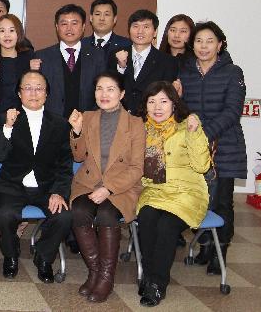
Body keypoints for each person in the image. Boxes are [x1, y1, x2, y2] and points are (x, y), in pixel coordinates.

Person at [68, 71, 146, 303]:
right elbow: (79, 156)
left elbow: (137, 168)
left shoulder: (135, 124)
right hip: (88, 183)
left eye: (110, 89)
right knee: (79, 211)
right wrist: (77, 131)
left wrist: (108, 188)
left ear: (121, 94)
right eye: (99, 89)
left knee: (106, 214)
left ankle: (106, 277)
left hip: (122, 186)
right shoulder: (88, 117)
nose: (104, 94)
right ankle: (96, 272)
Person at [178, 21, 246, 275]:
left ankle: (220, 253)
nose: (203, 46)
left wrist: (204, 134)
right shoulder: (185, 73)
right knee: (200, 199)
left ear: (220, 45)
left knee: (223, 203)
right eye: (199, 41)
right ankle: (205, 246)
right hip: (194, 149)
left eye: (209, 41)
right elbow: (181, 108)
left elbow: (232, 111)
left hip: (225, 148)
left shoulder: (233, 72)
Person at [0, 70, 73, 283]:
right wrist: (7, 127)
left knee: (64, 216)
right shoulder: (7, 118)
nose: (34, 93)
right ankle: (11, 255)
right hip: (12, 184)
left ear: (47, 93)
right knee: (4, 215)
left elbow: (65, 166)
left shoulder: (60, 124)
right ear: (19, 93)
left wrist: (58, 192)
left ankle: (44, 257)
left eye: (39, 88)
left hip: (46, 186)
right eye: (27, 88)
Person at [136, 81, 210, 306]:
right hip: (154, 191)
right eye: (152, 102)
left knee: (167, 226)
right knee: (147, 218)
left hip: (186, 193)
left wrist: (194, 134)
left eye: (163, 101)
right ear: (145, 105)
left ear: (174, 104)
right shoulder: (140, 129)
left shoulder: (187, 126)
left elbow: (202, 166)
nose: (157, 107)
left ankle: (157, 284)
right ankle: (150, 274)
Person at [34, 4, 106, 118]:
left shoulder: (97, 56)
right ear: (57, 27)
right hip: (52, 122)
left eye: (74, 23)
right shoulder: (42, 57)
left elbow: (103, 90)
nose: (69, 28)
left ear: (83, 27)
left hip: (87, 121)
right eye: (64, 24)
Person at [112, 10, 178, 114]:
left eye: (146, 27)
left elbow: (167, 96)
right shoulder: (115, 54)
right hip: (120, 117)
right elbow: (111, 86)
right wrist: (121, 68)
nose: (140, 31)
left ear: (155, 32)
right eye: (135, 26)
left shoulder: (168, 62)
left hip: (151, 118)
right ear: (129, 30)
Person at [0, 14, 35, 126]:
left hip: (23, 117)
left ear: (18, 34)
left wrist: (34, 72)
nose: (7, 35)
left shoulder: (29, 58)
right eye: (2, 31)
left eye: (11, 30)